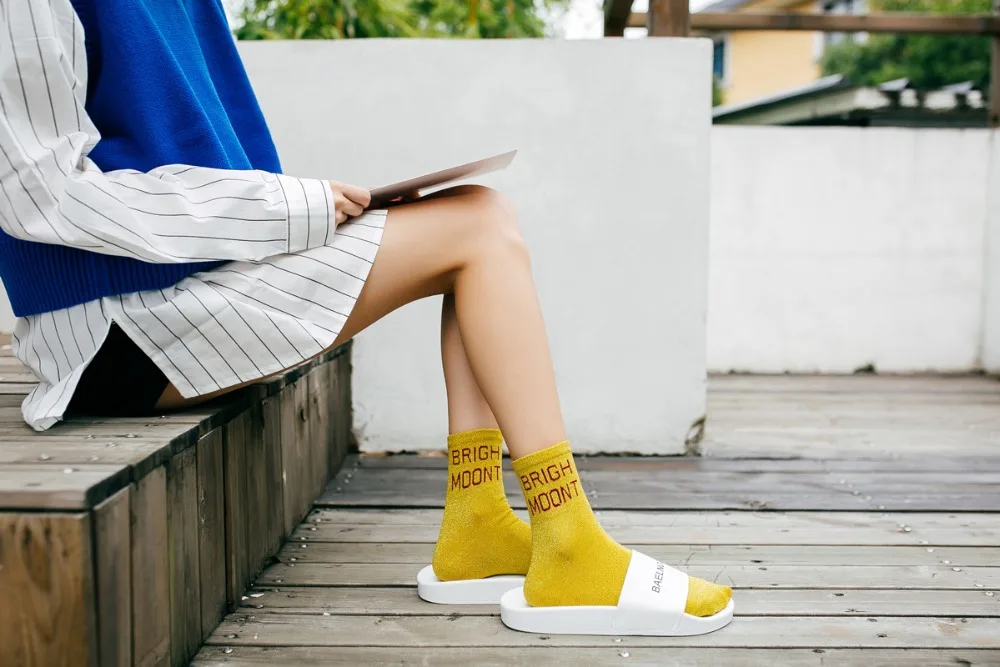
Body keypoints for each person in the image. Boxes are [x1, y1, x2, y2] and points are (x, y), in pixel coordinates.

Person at [0, 0, 732, 636]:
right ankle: (566, 540)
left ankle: (480, 522)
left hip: (176, 286)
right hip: (112, 325)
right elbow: (39, 192)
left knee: (479, 214)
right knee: (477, 233)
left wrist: (290, 208)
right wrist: (285, 208)